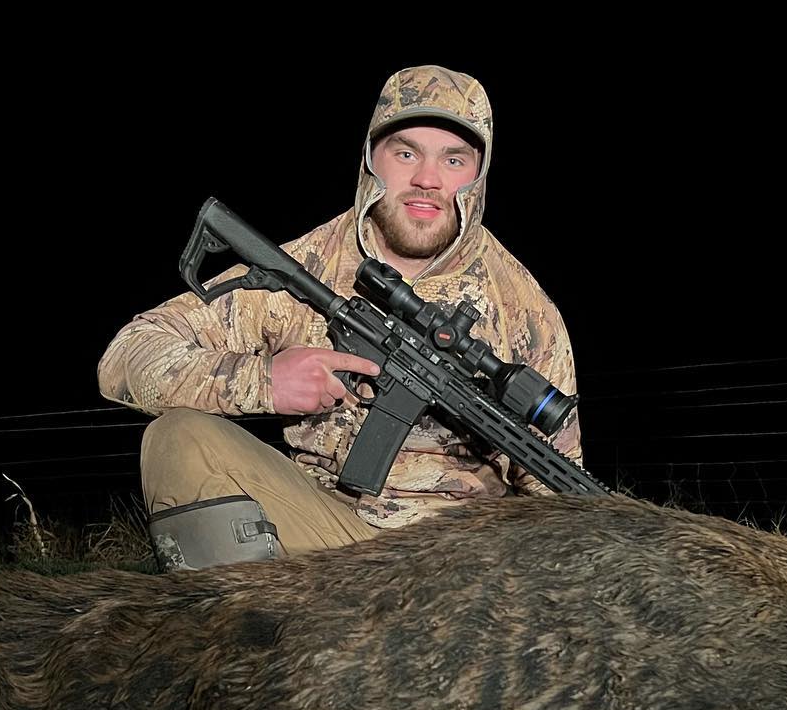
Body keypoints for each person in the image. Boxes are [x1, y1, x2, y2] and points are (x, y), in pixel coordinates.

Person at [97, 64, 584, 569]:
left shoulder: (525, 308)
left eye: (454, 159)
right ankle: (249, 616)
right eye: (406, 153)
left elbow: (558, 490)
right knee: (178, 438)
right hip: (324, 534)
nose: (427, 179)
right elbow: (125, 356)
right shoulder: (308, 267)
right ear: (371, 159)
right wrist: (264, 380)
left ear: (478, 176)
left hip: (462, 565)